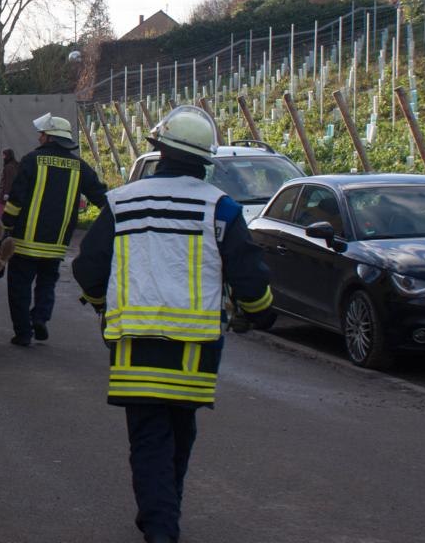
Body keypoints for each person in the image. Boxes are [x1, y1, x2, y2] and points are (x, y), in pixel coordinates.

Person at [71, 105, 275, 543]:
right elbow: (249, 275)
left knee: (148, 438)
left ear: (159, 150)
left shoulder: (121, 202)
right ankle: (164, 514)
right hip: (195, 349)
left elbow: (88, 268)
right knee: (180, 432)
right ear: (205, 161)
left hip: (134, 344)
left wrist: (102, 305)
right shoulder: (221, 209)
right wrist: (260, 312)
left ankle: (159, 523)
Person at [1, 113, 107, 346]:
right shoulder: (79, 166)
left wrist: (6, 225)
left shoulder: (31, 160)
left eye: (42, 134)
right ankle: (40, 318)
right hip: (57, 244)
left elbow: (16, 199)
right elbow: (102, 198)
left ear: (50, 137)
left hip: (25, 243)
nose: (39, 138)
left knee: (19, 287)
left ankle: (23, 333)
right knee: (47, 284)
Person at [0, 148, 19, 218]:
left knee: (0, 212)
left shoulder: (9, 167)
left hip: (4, 194)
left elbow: (9, 181)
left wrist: (6, 193)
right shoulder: (15, 165)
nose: (3, 157)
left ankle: (2, 223)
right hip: (12, 194)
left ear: (8, 156)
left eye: (4, 155)